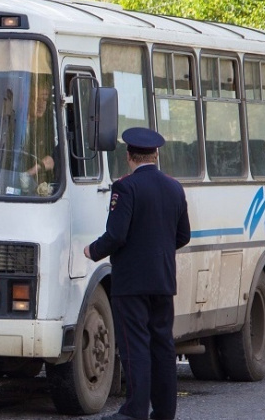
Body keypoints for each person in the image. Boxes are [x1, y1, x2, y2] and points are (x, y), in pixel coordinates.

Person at [84, 127, 191, 420]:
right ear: (155, 155)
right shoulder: (174, 187)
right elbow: (183, 235)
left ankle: (135, 411)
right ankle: (165, 411)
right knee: (163, 345)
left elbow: (116, 235)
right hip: (163, 280)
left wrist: (91, 251)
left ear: (129, 156)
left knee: (135, 346)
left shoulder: (125, 187)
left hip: (131, 282)